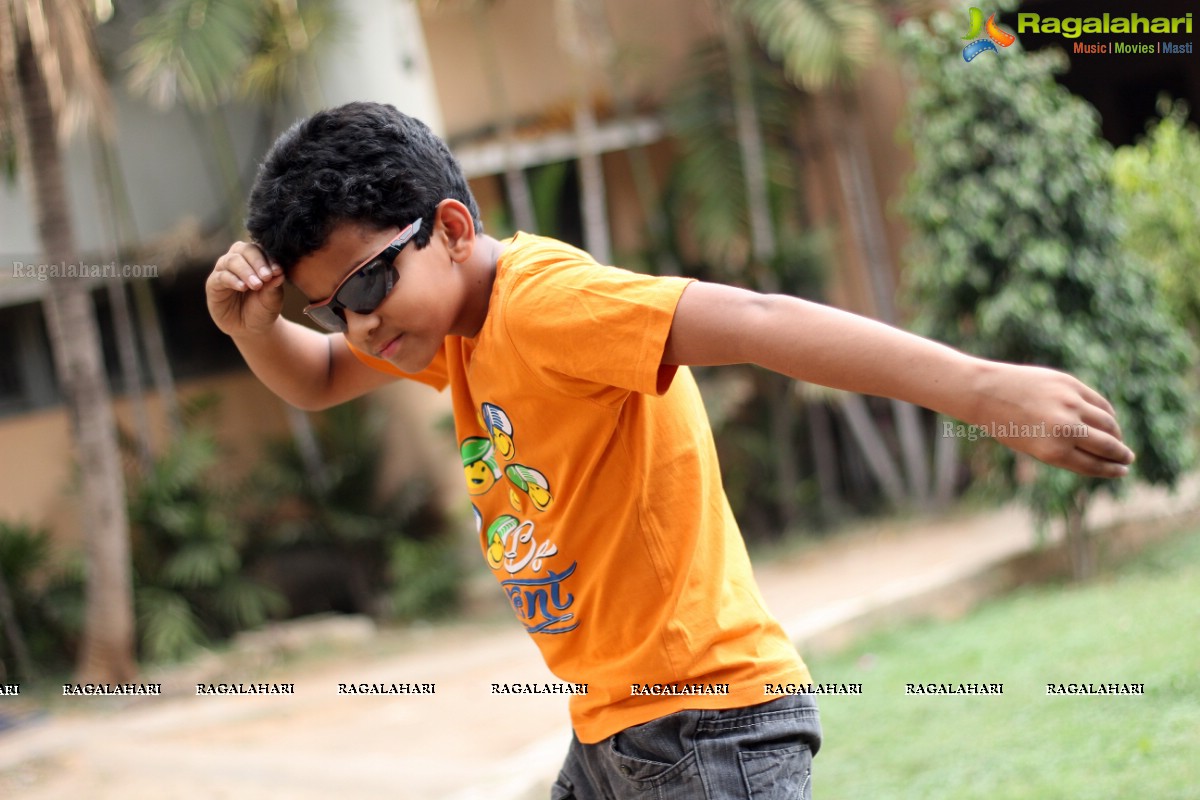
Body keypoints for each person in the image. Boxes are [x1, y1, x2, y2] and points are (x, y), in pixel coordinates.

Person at [206, 101, 1134, 799]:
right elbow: (322, 377)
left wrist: (982, 389)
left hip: (708, 724)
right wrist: (253, 330)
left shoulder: (545, 304)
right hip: (616, 733)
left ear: (450, 229)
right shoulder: (452, 331)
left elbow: (763, 322)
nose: (360, 323)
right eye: (335, 305)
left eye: (370, 282)